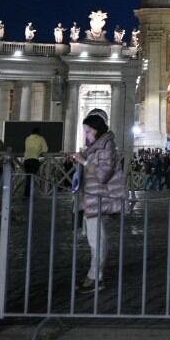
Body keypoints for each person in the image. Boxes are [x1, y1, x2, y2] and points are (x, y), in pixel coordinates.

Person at [67, 113, 125, 294]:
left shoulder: (106, 146)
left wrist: (83, 161)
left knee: (96, 240)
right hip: (92, 198)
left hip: (99, 198)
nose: (86, 135)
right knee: (95, 239)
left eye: (88, 131)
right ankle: (93, 276)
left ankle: (95, 278)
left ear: (97, 130)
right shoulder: (96, 147)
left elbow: (102, 174)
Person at [23, 127, 48, 199]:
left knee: (28, 178)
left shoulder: (27, 138)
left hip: (26, 160)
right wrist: (40, 152)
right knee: (32, 178)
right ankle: (29, 196)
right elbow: (45, 149)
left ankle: (26, 195)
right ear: (39, 133)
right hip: (34, 160)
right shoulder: (41, 138)